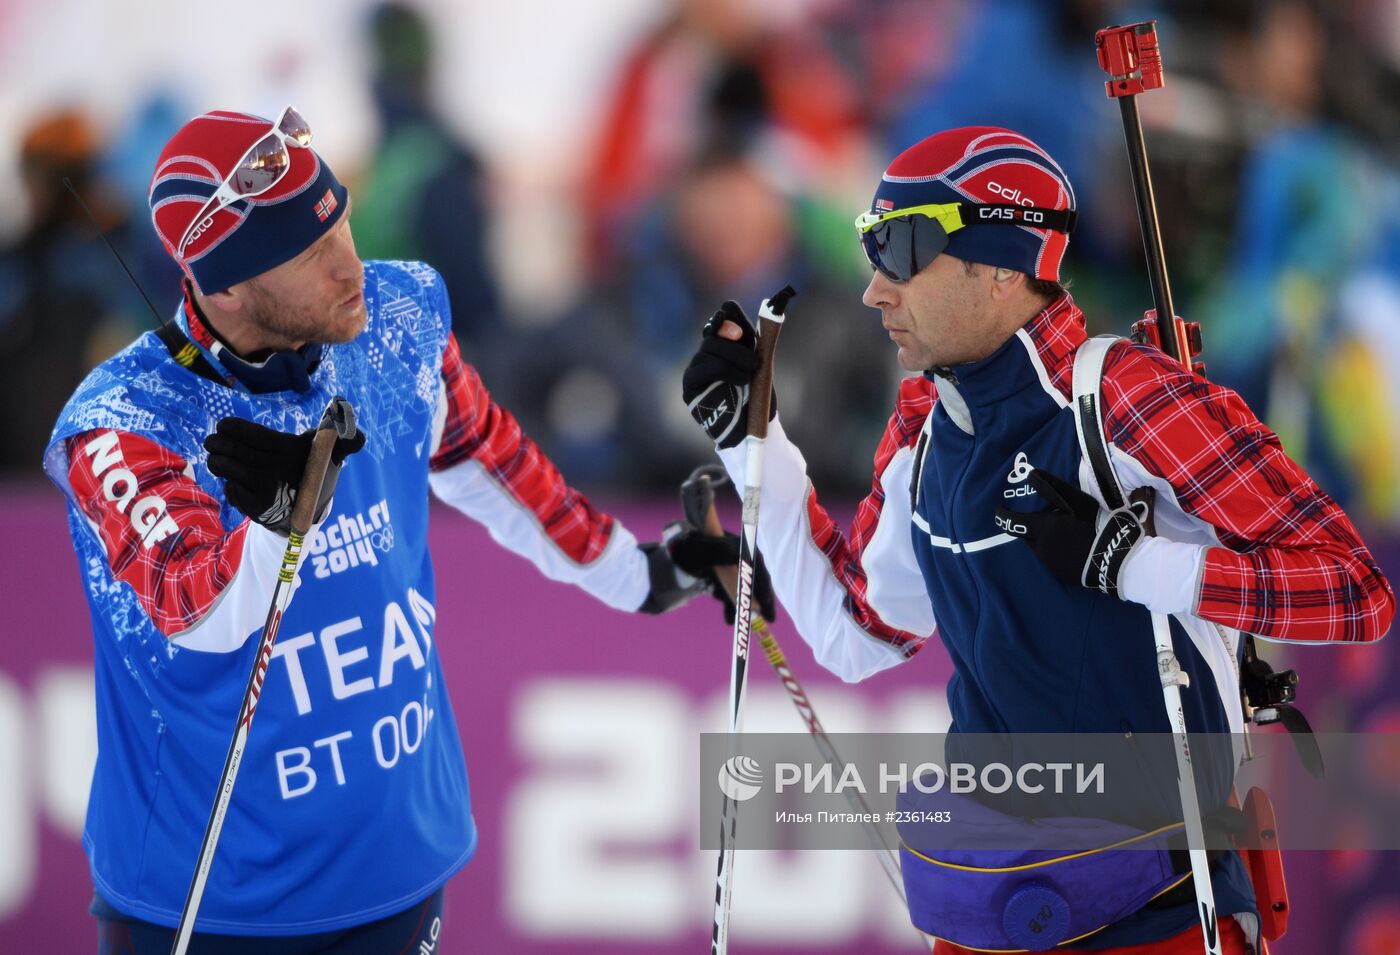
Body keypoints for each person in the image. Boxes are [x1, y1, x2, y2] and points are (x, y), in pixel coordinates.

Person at [43, 106, 752, 953]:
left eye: (340, 218)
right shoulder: (125, 420)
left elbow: (491, 462)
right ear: (224, 283)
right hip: (210, 897)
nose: (351, 265)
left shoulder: (398, 314)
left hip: (395, 865)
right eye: (310, 254)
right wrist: (276, 524)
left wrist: (639, 574)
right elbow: (202, 617)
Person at [681, 126, 1395, 953]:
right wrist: (751, 442)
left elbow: (1353, 589)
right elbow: (856, 631)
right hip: (994, 906)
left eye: (903, 248)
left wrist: (1134, 564)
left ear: (1000, 264)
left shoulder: (1128, 398)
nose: (877, 289)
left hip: (1158, 910)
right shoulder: (924, 428)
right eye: (870, 248)